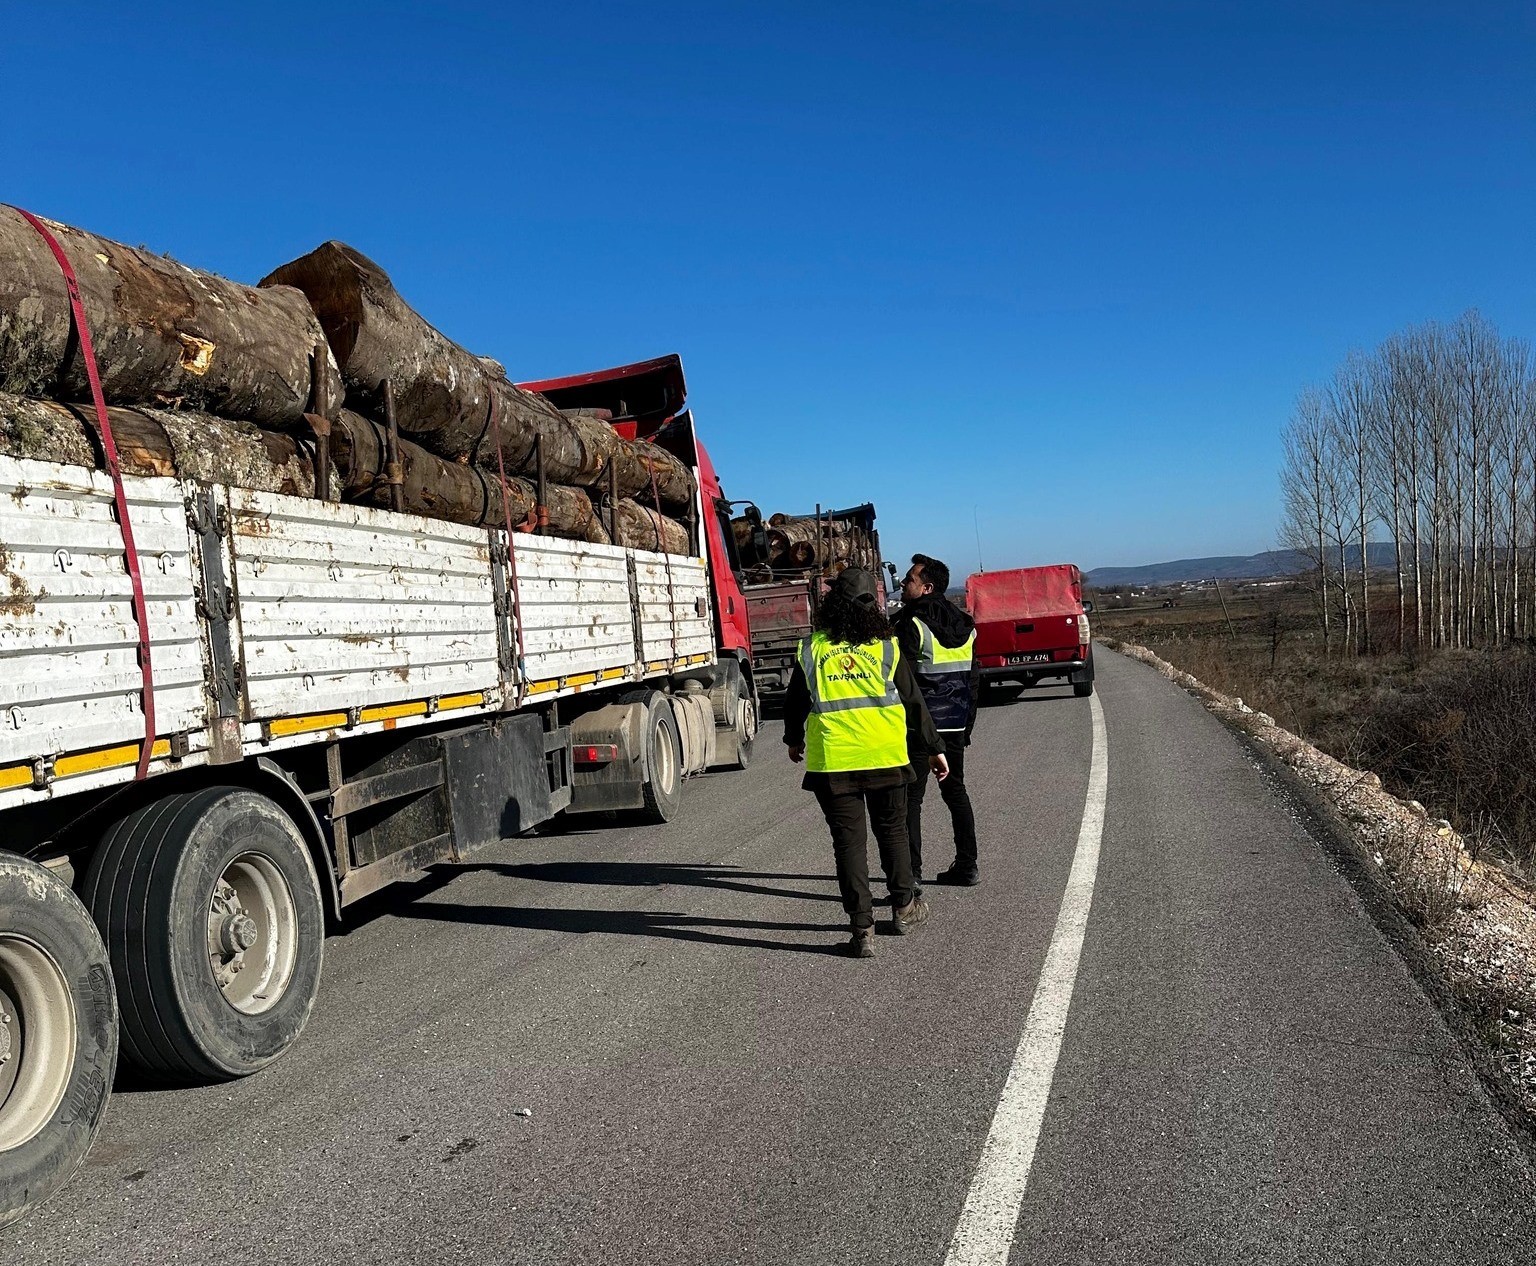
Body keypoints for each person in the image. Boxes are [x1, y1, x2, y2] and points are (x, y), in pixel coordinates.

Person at [783, 568, 949, 958]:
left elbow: (795, 702)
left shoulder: (812, 649)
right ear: (873, 606)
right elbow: (913, 702)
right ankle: (904, 908)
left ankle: (862, 930)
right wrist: (934, 746)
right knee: (893, 833)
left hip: (833, 763)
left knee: (848, 844)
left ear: (831, 605)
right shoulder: (886, 646)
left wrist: (794, 740)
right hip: (886, 758)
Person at [897, 553, 982, 886]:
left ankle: (912, 875)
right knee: (955, 792)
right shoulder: (965, 625)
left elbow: (900, 682)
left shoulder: (910, 624)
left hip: (920, 727)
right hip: (955, 724)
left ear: (927, 587)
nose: (904, 583)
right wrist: (967, 726)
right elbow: (974, 681)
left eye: (910, 579)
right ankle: (967, 865)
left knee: (910, 799)